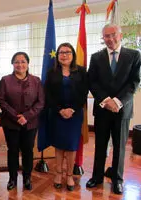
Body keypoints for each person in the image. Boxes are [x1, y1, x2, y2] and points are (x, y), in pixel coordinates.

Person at [86, 23, 141, 194]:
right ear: (103, 39)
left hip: (122, 110)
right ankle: (97, 177)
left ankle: (117, 179)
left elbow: (134, 82)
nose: (110, 39)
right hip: (102, 109)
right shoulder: (96, 57)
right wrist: (106, 100)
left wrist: (117, 102)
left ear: (120, 35)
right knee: (100, 145)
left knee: (119, 146)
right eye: (106, 36)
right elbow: (91, 81)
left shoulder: (134, 55)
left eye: (113, 35)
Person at [0, 52, 45, 190]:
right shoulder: (5, 80)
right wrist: (16, 116)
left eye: (23, 61)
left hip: (30, 123)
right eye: (17, 62)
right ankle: (12, 178)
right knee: (12, 150)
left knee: (28, 151)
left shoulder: (36, 81)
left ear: (28, 64)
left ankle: (27, 178)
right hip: (10, 122)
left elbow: (40, 102)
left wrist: (27, 116)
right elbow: (1, 100)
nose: (20, 64)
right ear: (12, 64)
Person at [45, 43, 88, 191]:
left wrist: (72, 110)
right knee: (59, 145)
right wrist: (60, 110)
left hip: (75, 115)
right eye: (61, 52)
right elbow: (48, 94)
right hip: (57, 114)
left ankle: (69, 175)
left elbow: (83, 94)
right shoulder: (52, 72)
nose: (64, 55)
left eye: (68, 52)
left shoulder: (81, 71)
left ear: (73, 55)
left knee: (71, 145)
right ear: (57, 55)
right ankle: (58, 173)